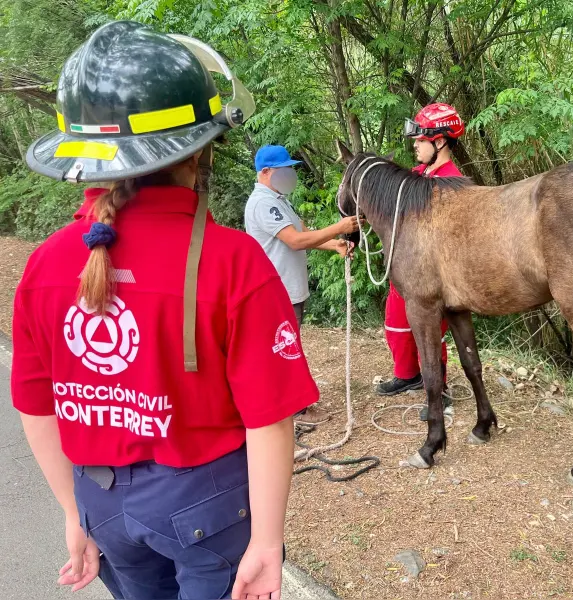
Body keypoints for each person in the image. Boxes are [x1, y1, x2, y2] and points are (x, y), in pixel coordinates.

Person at [13, 21, 316, 600]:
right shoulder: (235, 263)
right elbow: (269, 419)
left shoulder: (45, 265)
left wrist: (74, 514)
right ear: (198, 150)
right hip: (207, 508)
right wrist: (267, 543)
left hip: (99, 501)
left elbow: (36, 407)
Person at [245, 145, 359, 425]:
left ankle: (287, 403)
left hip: (289, 287)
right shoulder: (263, 203)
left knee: (288, 344)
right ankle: (293, 409)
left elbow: (302, 232)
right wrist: (339, 228)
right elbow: (294, 241)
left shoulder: (278, 198)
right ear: (267, 172)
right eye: (285, 169)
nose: (290, 174)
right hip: (278, 289)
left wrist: (334, 245)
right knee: (285, 348)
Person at [376, 103, 466, 421]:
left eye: (420, 139)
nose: (414, 144)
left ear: (439, 141)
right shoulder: (419, 175)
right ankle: (407, 374)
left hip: (429, 276)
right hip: (404, 270)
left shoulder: (451, 184)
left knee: (428, 332)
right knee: (397, 325)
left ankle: (437, 389)